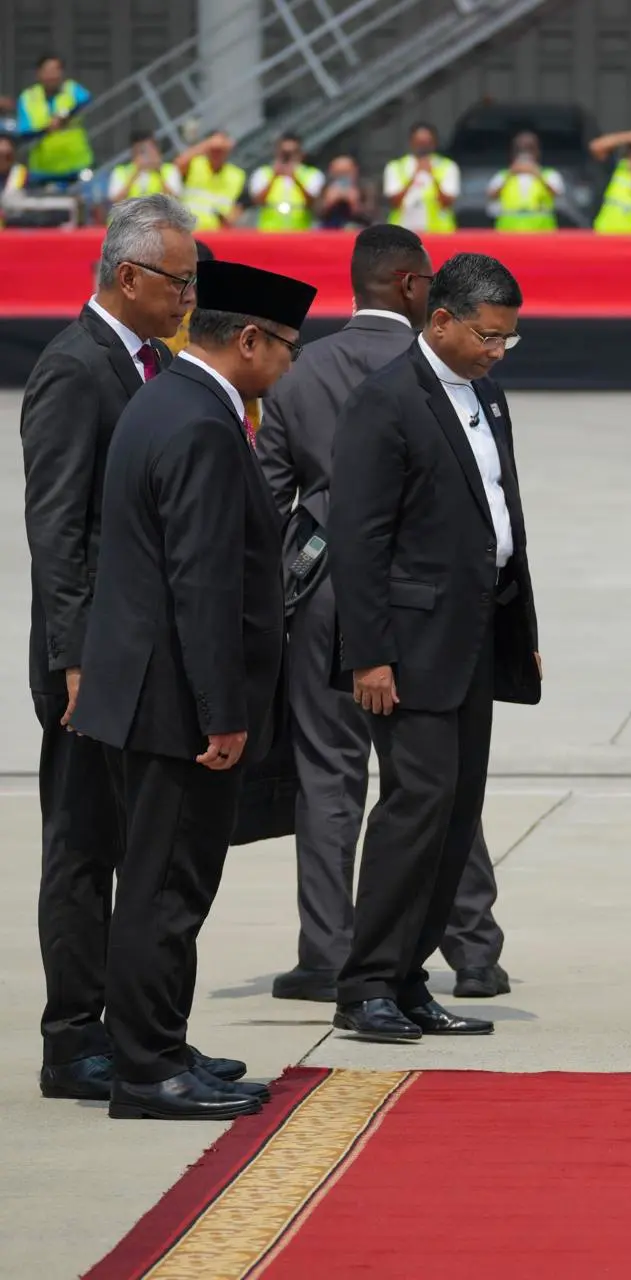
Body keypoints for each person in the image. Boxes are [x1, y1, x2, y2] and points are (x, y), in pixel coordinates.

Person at [71, 258, 314, 1120]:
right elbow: (203, 583)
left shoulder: (171, 399)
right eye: (286, 348)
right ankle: (145, 1070)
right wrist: (223, 713)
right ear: (248, 340)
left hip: (152, 692)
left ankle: (162, 1045)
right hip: (176, 703)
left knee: (161, 882)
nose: (290, 366)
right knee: (164, 890)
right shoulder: (203, 424)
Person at [328, 253, 541, 1043]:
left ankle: (411, 976)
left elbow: (499, 518)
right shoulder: (385, 402)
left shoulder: (485, 392)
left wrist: (523, 634)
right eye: (488, 336)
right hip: (407, 650)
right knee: (413, 809)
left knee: (454, 816)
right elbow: (359, 538)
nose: (497, 351)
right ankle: (367, 982)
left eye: (508, 340)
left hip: (474, 639)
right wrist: (369, 655)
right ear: (441, 319)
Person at [19, 195, 197, 1103]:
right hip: (94, 665)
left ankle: (141, 1030)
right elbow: (57, 530)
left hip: (146, 660)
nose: (189, 297)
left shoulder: (152, 364)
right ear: (128, 277)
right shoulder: (75, 371)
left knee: (147, 846)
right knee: (86, 847)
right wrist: (75, 659)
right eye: (179, 280)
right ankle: (72, 1035)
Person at [15, 54, 91, 188]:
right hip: (43, 170)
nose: (52, 75)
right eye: (48, 71)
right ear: (39, 73)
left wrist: (65, 116)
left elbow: (85, 100)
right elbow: (24, 132)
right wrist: (46, 129)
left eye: (56, 70)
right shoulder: (28, 97)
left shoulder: (71, 88)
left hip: (76, 165)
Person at [383, 122, 459, 234]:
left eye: (427, 142)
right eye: (419, 142)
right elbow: (394, 202)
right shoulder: (395, 167)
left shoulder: (448, 166)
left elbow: (447, 203)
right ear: (411, 142)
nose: (423, 146)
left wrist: (433, 176)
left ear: (434, 143)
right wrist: (413, 177)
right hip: (403, 233)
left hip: (437, 233)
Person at [488, 131, 564, 232]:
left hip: (541, 230)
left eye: (529, 149)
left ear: (537, 151)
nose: (525, 154)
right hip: (509, 230)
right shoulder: (503, 175)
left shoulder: (549, 174)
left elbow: (557, 193)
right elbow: (491, 195)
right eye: (520, 149)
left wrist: (538, 176)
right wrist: (510, 175)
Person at [248, 133, 323, 231]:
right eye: (284, 153)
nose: (287, 157)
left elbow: (312, 202)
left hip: (300, 233)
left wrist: (296, 179)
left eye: (292, 153)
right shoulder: (263, 173)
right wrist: (274, 177)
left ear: (300, 153)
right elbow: (258, 201)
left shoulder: (312, 174)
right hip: (270, 233)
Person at [176, 131, 245, 230]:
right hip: (190, 230)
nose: (217, 154)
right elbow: (179, 164)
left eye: (221, 150)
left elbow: (238, 207)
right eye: (214, 150)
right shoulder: (194, 164)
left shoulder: (236, 175)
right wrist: (208, 143)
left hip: (216, 234)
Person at [107, 133, 180, 206]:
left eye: (151, 151)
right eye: (142, 151)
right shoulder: (121, 171)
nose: (147, 156)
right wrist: (135, 173)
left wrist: (159, 172)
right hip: (130, 216)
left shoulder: (169, 169)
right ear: (134, 153)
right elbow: (116, 200)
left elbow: (174, 200)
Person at [317, 155, 365, 230]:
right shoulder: (324, 187)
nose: (343, 177)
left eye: (346, 172)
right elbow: (315, 213)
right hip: (329, 229)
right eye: (339, 172)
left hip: (356, 229)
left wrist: (355, 203)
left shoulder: (365, 187)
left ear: (355, 170)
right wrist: (328, 203)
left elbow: (371, 215)